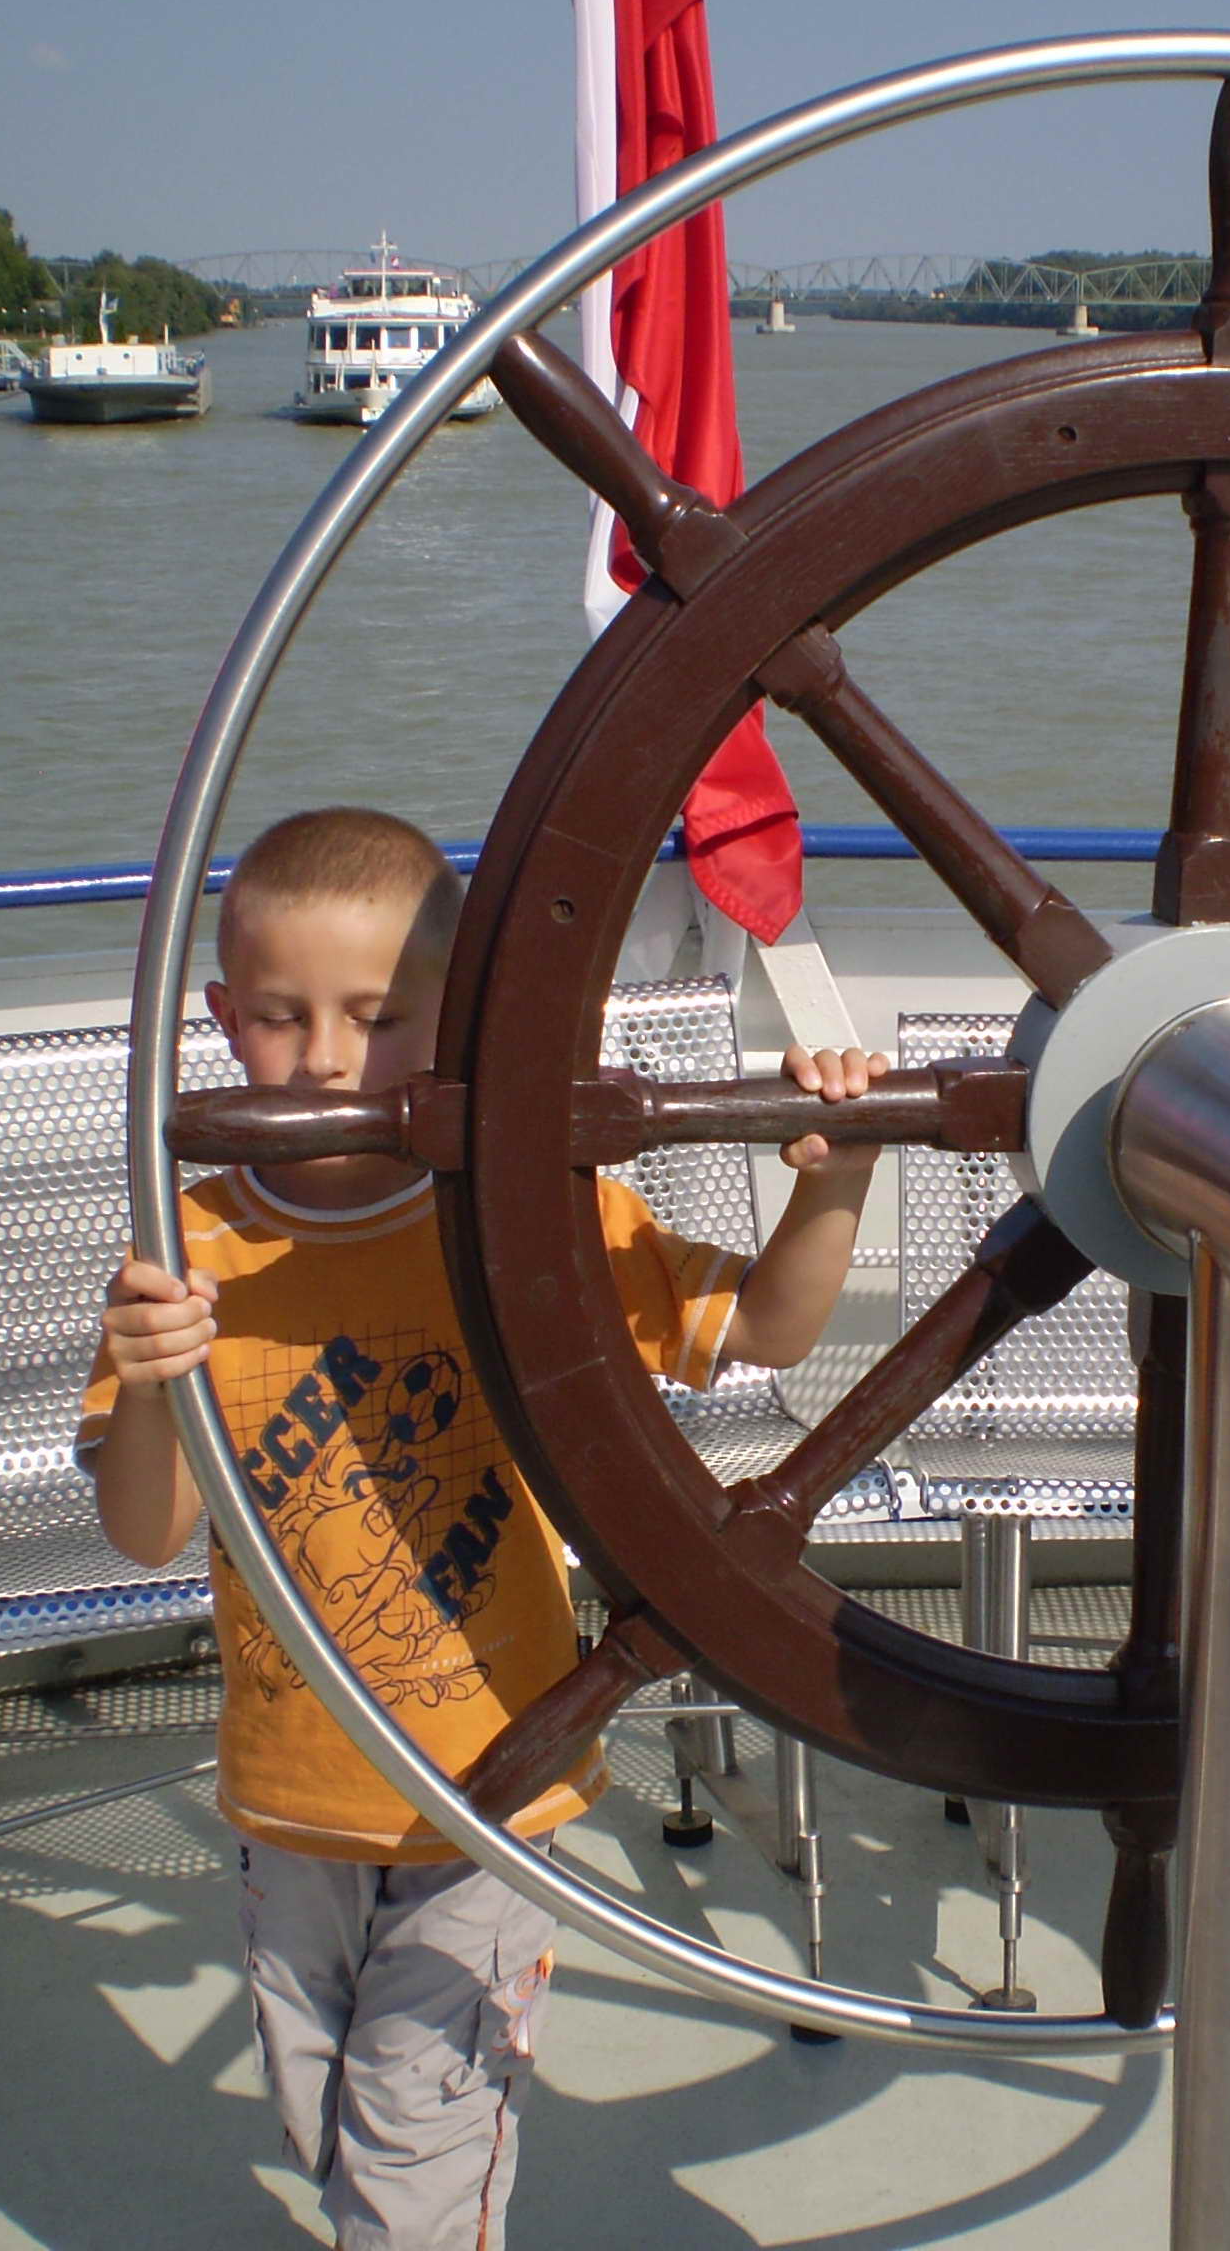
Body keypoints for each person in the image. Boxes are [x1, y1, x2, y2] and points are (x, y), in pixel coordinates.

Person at [83, 808, 881, 2251]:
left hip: (489, 1789)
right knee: (325, 2122)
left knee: (412, 2168)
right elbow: (149, 1531)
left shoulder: (531, 1217)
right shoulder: (186, 1243)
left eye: (383, 1021)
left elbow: (762, 1326)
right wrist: (150, 1385)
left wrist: (831, 1177)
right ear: (219, 1020)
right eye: (279, 1019)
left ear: (456, 1019)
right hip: (286, 1801)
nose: (329, 1060)